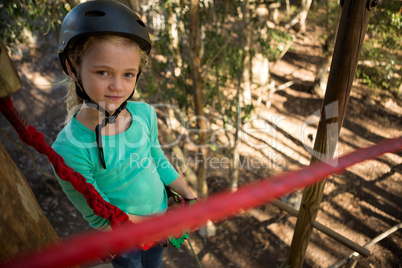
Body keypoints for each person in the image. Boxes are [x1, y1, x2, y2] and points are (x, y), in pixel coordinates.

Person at [52, 1, 196, 267]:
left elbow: (155, 158)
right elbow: (102, 216)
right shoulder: (70, 150)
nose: (117, 87)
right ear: (72, 69)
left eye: (128, 74)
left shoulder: (144, 115)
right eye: (103, 72)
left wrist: (187, 192)